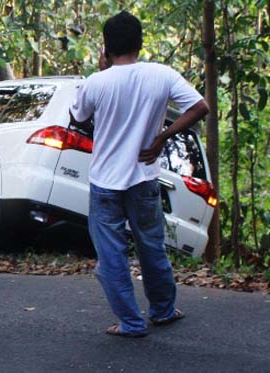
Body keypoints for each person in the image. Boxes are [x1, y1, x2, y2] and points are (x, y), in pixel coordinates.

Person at [69, 11, 209, 338]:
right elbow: (200, 107)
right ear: (140, 43)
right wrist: (162, 137)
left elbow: (78, 116)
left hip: (105, 183)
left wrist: (102, 73)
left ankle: (130, 322)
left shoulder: (96, 82)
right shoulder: (161, 74)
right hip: (144, 177)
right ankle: (162, 310)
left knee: (112, 254)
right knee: (151, 246)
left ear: (105, 47)